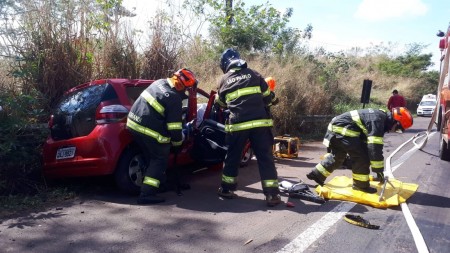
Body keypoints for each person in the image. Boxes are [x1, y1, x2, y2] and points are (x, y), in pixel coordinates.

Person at [215, 48, 281, 207]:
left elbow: (221, 104)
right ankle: (272, 195)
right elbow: (268, 98)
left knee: (232, 157)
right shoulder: (255, 74)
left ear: (225, 65)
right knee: (265, 158)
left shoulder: (223, 80)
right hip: (260, 124)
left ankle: (226, 189)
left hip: (237, 125)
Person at [126, 68, 198, 205]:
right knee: (159, 158)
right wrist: (179, 142)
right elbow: (174, 128)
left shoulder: (159, 82)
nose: (186, 92)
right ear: (181, 85)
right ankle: (146, 194)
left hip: (133, 124)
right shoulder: (174, 98)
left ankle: (159, 184)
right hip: (147, 129)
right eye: (187, 89)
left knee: (150, 156)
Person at [306, 107, 413, 193]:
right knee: (362, 158)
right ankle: (360, 186)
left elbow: (368, 141)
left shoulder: (380, 117)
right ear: (396, 122)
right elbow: (374, 148)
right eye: (398, 129)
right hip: (343, 131)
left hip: (336, 129)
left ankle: (317, 174)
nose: (395, 131)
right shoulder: (378, 121)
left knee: (338, 156)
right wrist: (379, 170)